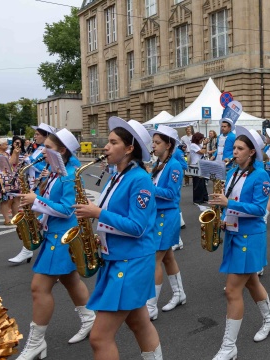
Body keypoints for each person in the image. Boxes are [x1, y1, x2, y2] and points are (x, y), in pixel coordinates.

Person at [73, 117, 162, 359]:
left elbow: (137, 227)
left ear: (130, 148)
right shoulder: (117, 176)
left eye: (113, 142)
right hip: (118, 258)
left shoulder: (140, 179)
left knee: (100, 337)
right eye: (108, 142)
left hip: (130, 262)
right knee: (140, 324)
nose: (106, 147)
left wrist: (97, 212)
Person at [15, 129, 96, 360]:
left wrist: (37, 201)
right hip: (56, 234)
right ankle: (90, 319)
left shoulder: (69, 175)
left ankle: (36, 343)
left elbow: (66, 209)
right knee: (70, 280)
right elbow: (54, 205)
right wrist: (40, 217)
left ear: (61, 151)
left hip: (63, 237)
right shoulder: (54, 172)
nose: (43, 151)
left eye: (48, 147)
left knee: (38, 288)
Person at [209, 126, 270, 360]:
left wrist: (228, 203)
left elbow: (259, 209)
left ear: (251, 152)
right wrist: (222, 217)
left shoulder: (260, 175)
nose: (234, 152)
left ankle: (229, 346)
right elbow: (232, 203)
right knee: (252, 284)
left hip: (250, 237)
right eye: (235, 148)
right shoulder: (233, 172)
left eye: (240, 149)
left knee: (232, 290)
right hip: (234, 233)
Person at [145, 125, 187, 320]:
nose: (153, 146)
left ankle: (151, 306)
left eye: (157, 143)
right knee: (168, 257)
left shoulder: (174, 165)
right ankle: (179, 294)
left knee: (155, 259)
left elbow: (171, 194)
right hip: (157, 216)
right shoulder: (159, 164)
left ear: (168, 145)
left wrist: (148, 188)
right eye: (153, 142)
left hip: (166, 216)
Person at [10, 124, 55, 264]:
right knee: (32, 218)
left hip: (42, 187)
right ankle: (29, 247)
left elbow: (50, 167)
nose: (34, 137)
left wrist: (31, 162)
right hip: (33, 185)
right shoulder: (37, 149)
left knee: (39, 218)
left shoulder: (47, 150)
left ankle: (31, 248)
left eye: (37, 134)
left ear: (46, 135)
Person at [0, 138, 21, 226]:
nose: (7, 145)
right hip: (2, 179)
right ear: (0, 145)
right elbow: (7, 166)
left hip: (12, 177)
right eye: (5, 144)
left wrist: (17, 154)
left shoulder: (7, 153)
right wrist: (14, 153)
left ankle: (15, 217)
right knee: (5, 199)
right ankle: (7, 219)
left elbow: (15, 163)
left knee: (16, 197)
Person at [190, 132, 209, 204]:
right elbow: (201, 152)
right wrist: (204, 144)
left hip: (201, 165)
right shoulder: (193, 145)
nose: (202, 140)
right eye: (201, 139)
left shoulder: (198, 145)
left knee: (202, 182)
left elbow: (205, 152)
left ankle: (204, 198)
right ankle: (197, 200)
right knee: (197, 183)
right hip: (195, 166)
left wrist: (205, 144)